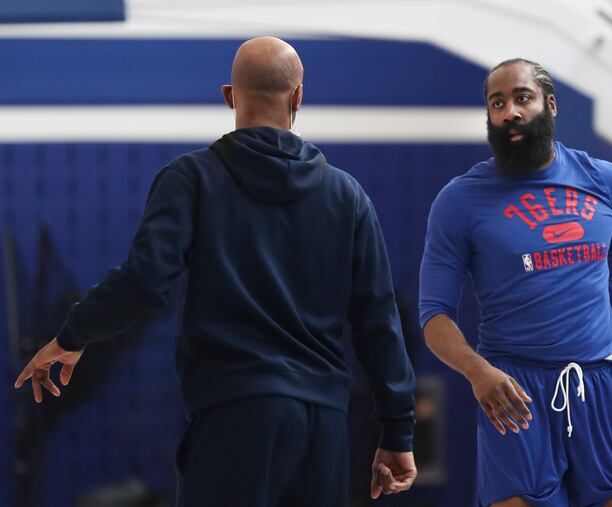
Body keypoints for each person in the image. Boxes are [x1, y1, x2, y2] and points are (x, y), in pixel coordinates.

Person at [15, 36, 417, 506]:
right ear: (298, 97)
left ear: (229, 96)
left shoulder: (191, 180)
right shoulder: (349, 197)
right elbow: (378, 322)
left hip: (234, 414)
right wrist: (397, 431)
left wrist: (72, 336)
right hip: (323, 425)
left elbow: (145, 280)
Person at [418, 58, 612, 507]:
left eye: (522, 97)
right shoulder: (459, 201)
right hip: (513, 391)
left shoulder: (603, 181)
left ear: (550, 105)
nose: (510, 112)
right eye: (497, 103)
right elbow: (434, 314)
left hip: (599, 382)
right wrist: (478, 371)